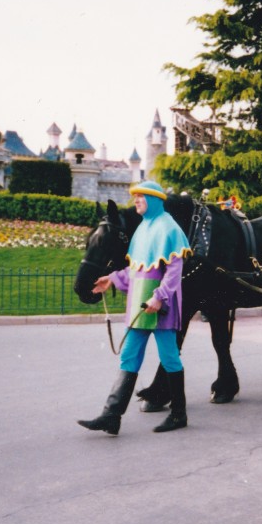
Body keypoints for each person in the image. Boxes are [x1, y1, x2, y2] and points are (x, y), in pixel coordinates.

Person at [79, 181, 193, 435]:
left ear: (153, 199)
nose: (136, 201)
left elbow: (174, 272)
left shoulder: (169, 228)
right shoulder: (142, 230)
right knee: (129, 355)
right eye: (135, 197)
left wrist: (160, 297)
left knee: (169, 358)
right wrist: (112, 279)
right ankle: (111, 416)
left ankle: (178, 414)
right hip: (139, 307)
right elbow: (137, 270)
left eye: (140, 197)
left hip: (159, 307)